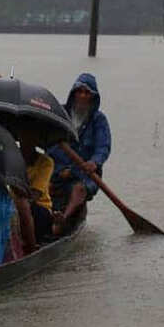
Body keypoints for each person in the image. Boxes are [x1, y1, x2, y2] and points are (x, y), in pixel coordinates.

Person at [46, 73, 111, 234]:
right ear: (73, 93)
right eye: (79, 91)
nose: (82, 96)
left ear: (93, 97)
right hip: (58, 170)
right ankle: (43, 220)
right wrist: (61, 172)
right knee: (43, 188)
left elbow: (103, 147)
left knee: (79, 190)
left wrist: (94, 162)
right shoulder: (60, 113)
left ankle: (63, 220)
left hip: (85, 173)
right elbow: (49, 145)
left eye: (87, 93)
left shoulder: (98, 120)